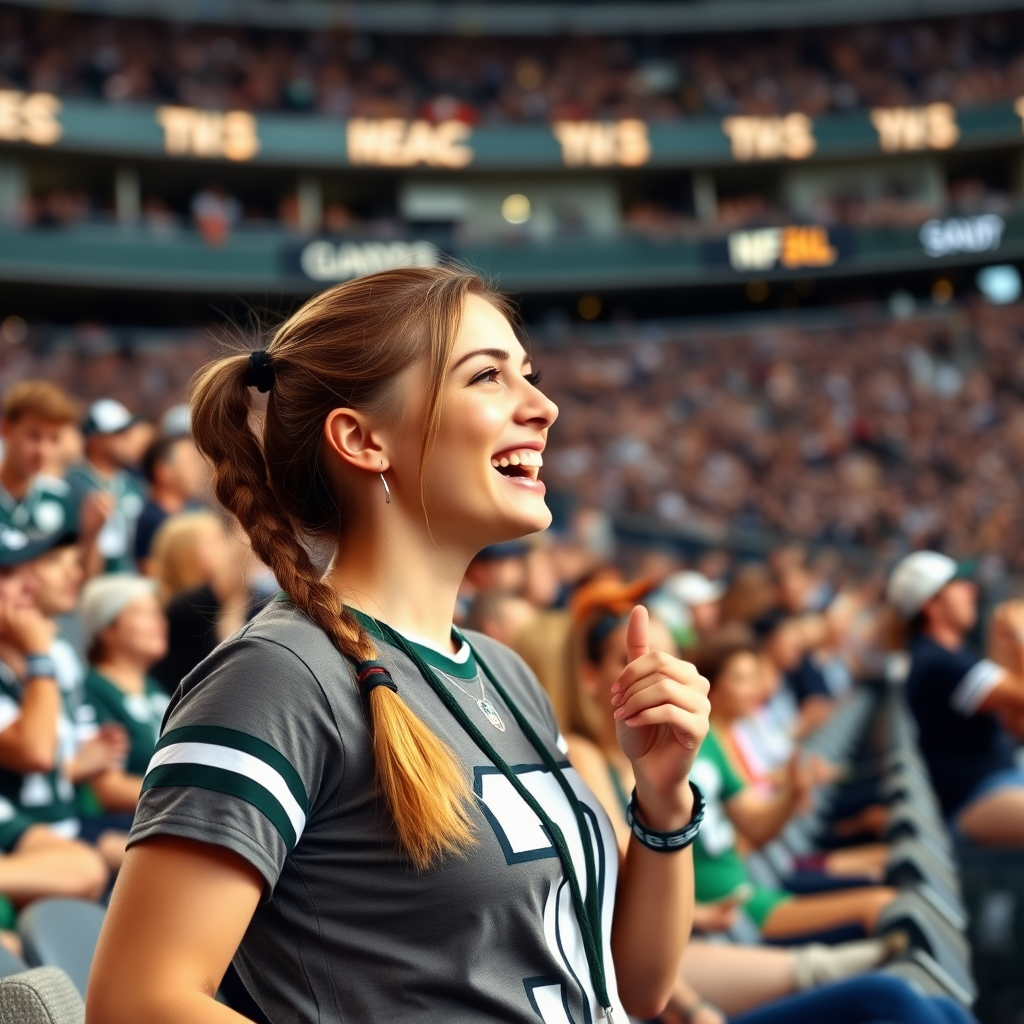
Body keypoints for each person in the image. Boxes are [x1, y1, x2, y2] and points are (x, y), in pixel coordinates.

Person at [88, 265, 712, 1024]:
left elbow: (630, 986)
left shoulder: (506, 672)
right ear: (361, 438)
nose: (543, 407)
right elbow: (136, 1002)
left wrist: (662, 799)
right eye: (487, 377)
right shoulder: (277, 677)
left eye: (530, 375)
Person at [889, 550, 1024, 846]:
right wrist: (1020, 639)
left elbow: (1016, 724)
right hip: (974, 797)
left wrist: (1008, 647)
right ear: (931, 604)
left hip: (999, 778)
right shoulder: (935, 660)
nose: (971, 590)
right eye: (957, 584)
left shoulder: (950, 654)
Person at [149, 514, 269, 695]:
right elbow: (229, 583)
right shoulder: (183, 608)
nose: (227, 544)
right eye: (216, 539)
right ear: (185, 553)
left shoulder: (245, 599)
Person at [82, 575, 169, 816]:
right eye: (143, 613)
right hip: (126, 826)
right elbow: (109, 789)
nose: (160, 622)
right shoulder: (93, 690)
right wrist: (186, 797)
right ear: (107, 630)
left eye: (157, 612)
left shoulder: (153, 688)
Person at [65, 400, 145, 575]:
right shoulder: (72, 484)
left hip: (131, 575)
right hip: (89, 579)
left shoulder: (134, 484)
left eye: (128, 431)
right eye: (119, 433)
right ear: (94, 440)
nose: (129, 438)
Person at [0, 381, 79, 544]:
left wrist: (92, 536)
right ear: (6, 429)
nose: (43, 452)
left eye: (54, 439)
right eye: (34, 436)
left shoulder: (60, 497)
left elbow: (71, 564)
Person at [134, 434, 208, 572]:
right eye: (191, 462)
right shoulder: (152, 519)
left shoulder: (198, 510)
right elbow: (154, 574)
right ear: (163, 472)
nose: (199, 470)